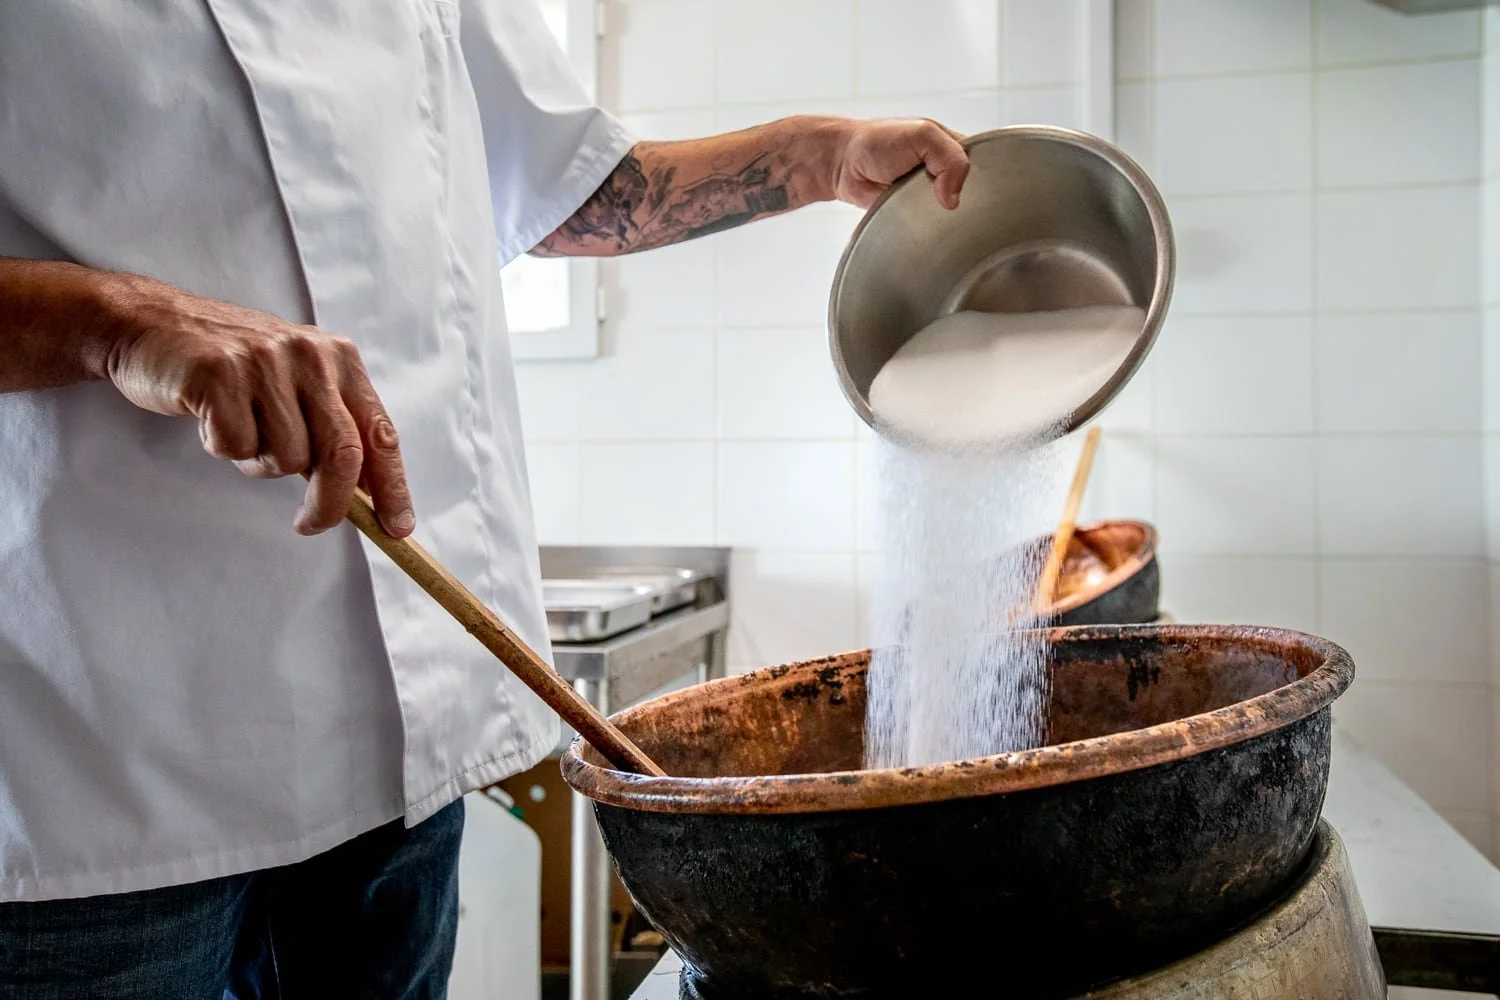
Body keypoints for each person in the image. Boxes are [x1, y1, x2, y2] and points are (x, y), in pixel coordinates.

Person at [0, 2, 971, 995]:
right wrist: (118, 324)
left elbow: (569, 188)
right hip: (97, 769)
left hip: (391, 748)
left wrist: (820, 155)